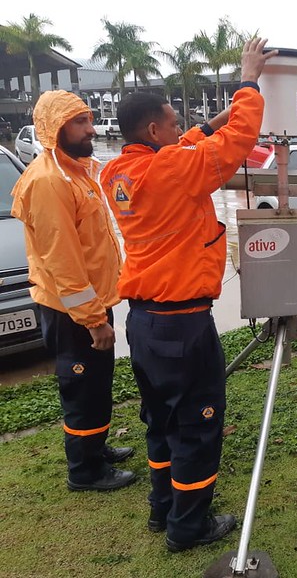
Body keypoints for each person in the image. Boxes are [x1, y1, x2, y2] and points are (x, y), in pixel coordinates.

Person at [100, 37, 275, 552]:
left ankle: (163, 508)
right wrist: (248, 81)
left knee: (160, 421)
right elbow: (240, 139)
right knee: (198, 424)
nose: (180, 130)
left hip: (143, 324)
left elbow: (185, 147)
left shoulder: (117, 172)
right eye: (174, 123)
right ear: (153, 131)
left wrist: (206, 125)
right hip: (183, 324)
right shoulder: (174, 169)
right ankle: (189, 527)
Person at [11, 91, 136, 492]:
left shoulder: (76, 173)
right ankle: (85, 471)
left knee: (96, 385)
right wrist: (94, 320)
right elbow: (63, 261)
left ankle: (96, 449)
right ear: (55, 128)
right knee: (82, 388)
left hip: (90, 304)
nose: (91, 129)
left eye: (89, 120)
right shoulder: (49, 182)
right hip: (73, 313)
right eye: (80, 122)